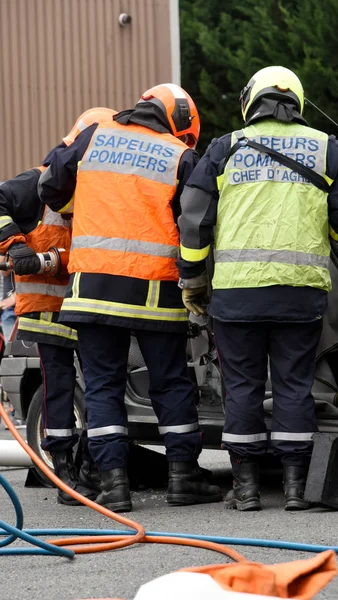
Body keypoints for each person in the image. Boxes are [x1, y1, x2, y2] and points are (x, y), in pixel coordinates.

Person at [176, 66, 338, 511]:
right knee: (294, 386)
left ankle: (244, 490)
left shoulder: (225, 149)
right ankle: (296, 489)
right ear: (297, 102)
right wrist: (329, 234)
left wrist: (194, 281)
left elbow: (193, 218)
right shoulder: (326, 147)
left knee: (242, 387)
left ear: (250, 100)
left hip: (236, 296)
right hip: (300, 294)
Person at [38, 83, 223, 513]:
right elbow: (195, 223)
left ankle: (113, 486)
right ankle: (183, 478)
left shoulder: (94, 136)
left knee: (103, 386)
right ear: (177, 122)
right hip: (156, 293)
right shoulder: (180, 156)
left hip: (93, 293)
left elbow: (49, 187)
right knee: (172, 383)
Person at [0, 107, 117, 505]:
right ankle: (63, 465)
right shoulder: (35, 183)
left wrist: (51, 259)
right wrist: (15, 246)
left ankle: (93, 465)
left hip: (86, 302)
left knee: (100, 386)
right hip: (47, 308)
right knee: (60, 386)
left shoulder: (101, 189)